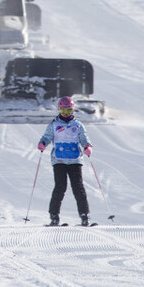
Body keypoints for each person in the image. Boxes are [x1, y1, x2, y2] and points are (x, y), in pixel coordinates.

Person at [37, 96, 92, 226]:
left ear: (72, 110)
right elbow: (47, 136)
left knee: (78, 188)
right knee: (60, 187)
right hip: (59, 160)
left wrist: (87, 146)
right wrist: (43, 143)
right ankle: (54, 216)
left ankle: (85, 216)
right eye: (63, 111)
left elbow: (84, 138)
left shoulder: (77, 125)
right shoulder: (54, 124)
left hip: (75, 160)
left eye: (69, 111)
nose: (66, 114)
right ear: (59, 110)